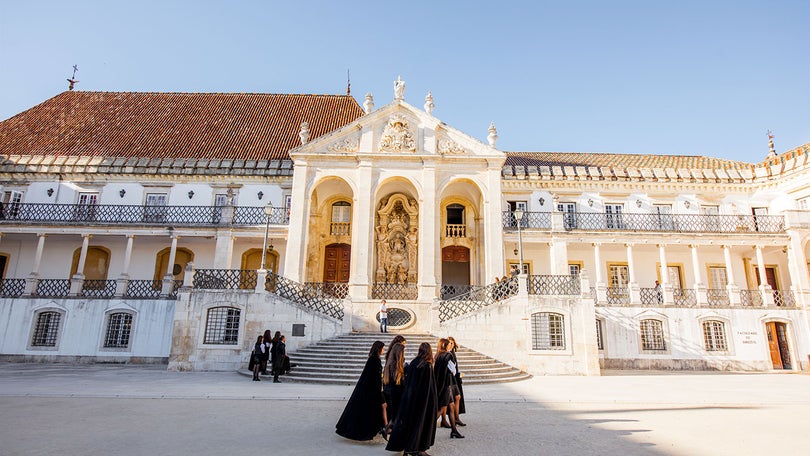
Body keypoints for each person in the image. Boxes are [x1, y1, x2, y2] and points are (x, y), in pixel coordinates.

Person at [386, 342, 437, 456]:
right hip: (422, 402)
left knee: (410, 423)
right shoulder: (427, 366)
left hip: (410, 399)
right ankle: (417, 448)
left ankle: (408, 447)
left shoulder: (414, 363)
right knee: (420, 424)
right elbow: (428, 388)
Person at [336, 341, 388, 441]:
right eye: (383, 348)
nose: (384, 350)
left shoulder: (372, 359)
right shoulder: (375, 361)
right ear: (379, 349)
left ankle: (383, 427)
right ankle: (383, 428)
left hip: (369, 391)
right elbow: (375, 378)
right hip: (373, 392)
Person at [434, 338, 464, 438]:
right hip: (447, 385)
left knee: (450, 406)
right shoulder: (448, 355)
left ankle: (454, 430)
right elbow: (453, 371)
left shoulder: (437, 355)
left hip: (440, 385)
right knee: (442, 408)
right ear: (445, 346)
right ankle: (427, 424)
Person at [383, 342, 406, 435]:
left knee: (393, 415)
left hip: (389, 391)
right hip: (396, 393)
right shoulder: (396, 365)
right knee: (396, 415)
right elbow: (398, 381)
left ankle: (388, 428)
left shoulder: (389, 363)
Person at [446, 337, 466, 426]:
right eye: (449, 343)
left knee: (455, 399)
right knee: (449, 402)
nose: (450, 344)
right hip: (449, 380)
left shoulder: (452, 353)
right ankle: (454, 419)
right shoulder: (446, 354)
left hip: (454, 379)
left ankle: (456, 418)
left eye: (452, 343)